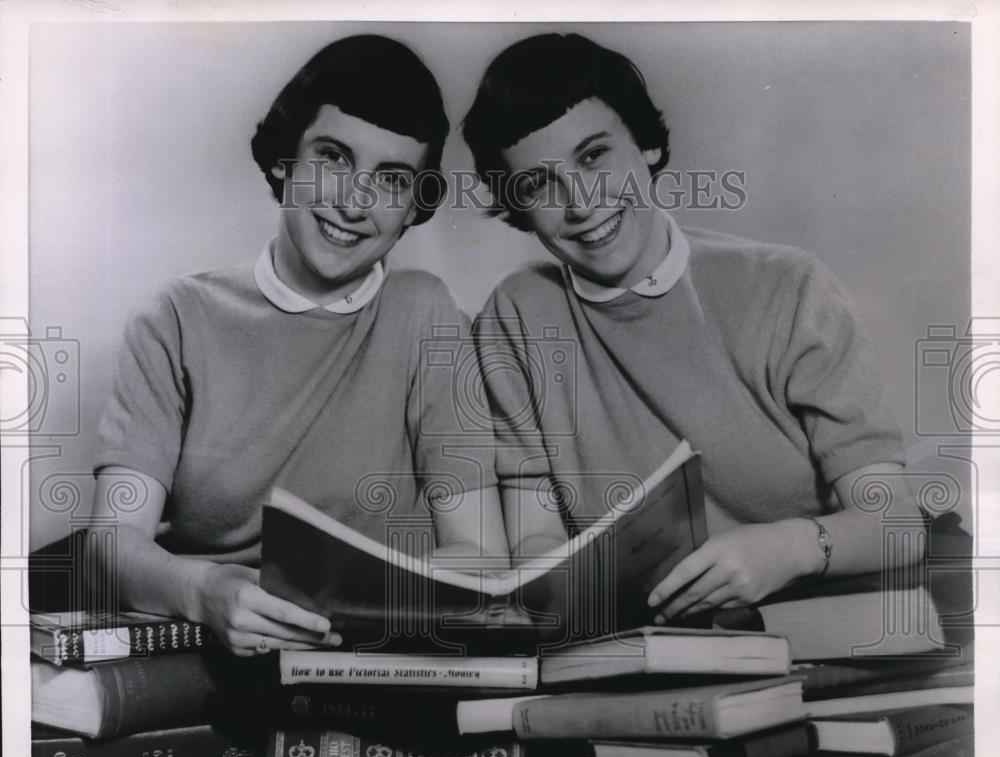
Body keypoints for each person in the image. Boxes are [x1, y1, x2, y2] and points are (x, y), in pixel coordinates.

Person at [462, 32, 923, 623]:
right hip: (635, 647)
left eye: (595, 156)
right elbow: (537, 541)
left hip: (814, 628)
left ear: (646, 148)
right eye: (538, 183)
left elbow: (898, 524)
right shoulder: (519, 315)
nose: (579, 202)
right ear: (518, 207)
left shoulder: (787, 287)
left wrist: (787, 548)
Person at [85, 35, 507, 656]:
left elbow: (482, 555)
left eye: (391, 179)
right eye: (333, 158)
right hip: (212, 647)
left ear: (412, 206)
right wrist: (207, 591)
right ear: (285, 159)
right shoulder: (176, 317)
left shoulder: (426, 314)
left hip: (377, 655)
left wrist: (362, 611)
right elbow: (109, 547)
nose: (353, 201)